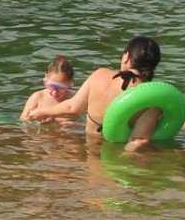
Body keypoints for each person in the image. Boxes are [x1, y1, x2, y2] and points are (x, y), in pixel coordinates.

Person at [33, 36, 172, 151]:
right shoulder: (153, 99)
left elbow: (72, 109)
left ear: (126, 57)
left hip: (90, 148)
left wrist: (42, 112)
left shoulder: (100, 75)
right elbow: (138, 140)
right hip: (117, 151)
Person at [21, 55, 77, 121]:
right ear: (46, 78)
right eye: (50, 86)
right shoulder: (37, 97)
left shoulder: (75, 99)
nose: (54, 92)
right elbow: (23, 119)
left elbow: (83, 124)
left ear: (71, 83)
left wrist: (55, 121)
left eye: (61, 88)